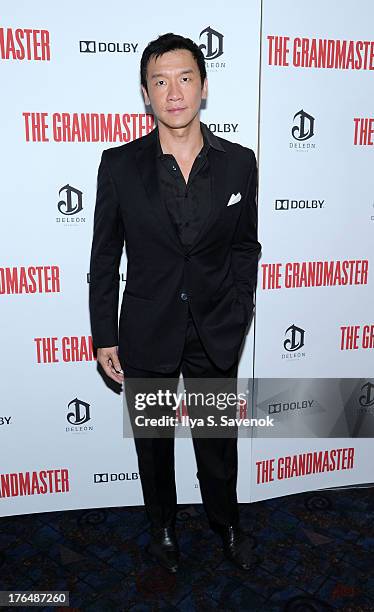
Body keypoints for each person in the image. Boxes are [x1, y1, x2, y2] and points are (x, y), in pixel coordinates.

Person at [89, 33, 262, 573]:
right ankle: (162, 527)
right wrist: (104, 335)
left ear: (203, 87)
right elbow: (104, 255)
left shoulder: (239, 163)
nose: (174, 92)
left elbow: (244, 246)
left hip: (215, 329)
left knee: (218, 441)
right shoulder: (119, 165)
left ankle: (226, 523)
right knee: (153, 443)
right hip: (146, 330)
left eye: (185, 78)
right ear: (146, 93)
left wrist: (239, 310)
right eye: (160, 81)